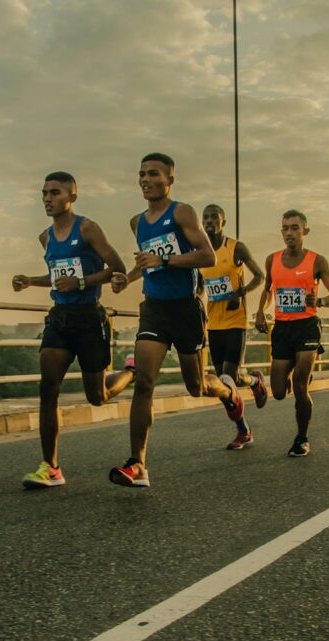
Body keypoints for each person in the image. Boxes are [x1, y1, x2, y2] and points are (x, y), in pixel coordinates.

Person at [107, 153, 245, 488]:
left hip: (186, 309)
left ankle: (228, 393)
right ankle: (137, 464)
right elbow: (147, 262)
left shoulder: (181, 212)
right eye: (141, 173)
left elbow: (207, 256)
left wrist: (165, 259)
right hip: (154, 309)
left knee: (196, 387)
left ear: (170, 179)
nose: (145, 179)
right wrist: (128, 278)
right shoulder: (137, 222)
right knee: (145, 383)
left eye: (153, 173)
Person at [13, 171, 135, 489]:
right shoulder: (46, 236)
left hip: (89, 319)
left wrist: (81, 282)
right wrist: (31, 280)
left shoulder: (87, 228)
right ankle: (51, 467)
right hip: (59, 319)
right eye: (44, 193)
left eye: (54, 193)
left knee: (98, 396)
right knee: (48, 388)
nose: (47, 199)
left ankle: (129, 373)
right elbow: (56, 276)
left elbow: (117, 268)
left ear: (71, 197)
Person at [253, 209, 329, 458]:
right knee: (279, 391)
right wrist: (261, 311)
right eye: (285, 228)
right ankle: (295, 374)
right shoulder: (272, 259)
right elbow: (268, 288)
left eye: (294, 228)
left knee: (300, 387)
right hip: (282, 329)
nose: (289, 232)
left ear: (305, 231)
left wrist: (321, 301)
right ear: (281, 232)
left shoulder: (317, 261)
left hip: (306, 326)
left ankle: (301, 438)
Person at [198, 203, 267, 450]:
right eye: (205, 217)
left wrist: (241, 292)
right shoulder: (201, 252)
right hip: (213, 323)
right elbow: (199, 286)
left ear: (222, 222)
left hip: (236, 320)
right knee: (225, 383)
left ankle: (242, 431)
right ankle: (254, 382)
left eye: (214, 217)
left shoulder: (235, 248)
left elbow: (260, 275)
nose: (209, 221)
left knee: (227, 377)